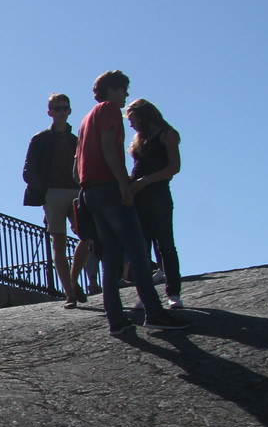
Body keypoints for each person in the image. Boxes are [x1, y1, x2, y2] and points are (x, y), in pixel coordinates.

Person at [75, 70, 187, 336]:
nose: (126, 94)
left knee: (111, 255)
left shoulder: (86, 119)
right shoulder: (109, 110)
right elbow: (108, 147)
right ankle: (154, 312)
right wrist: (123, 183)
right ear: (113, 89)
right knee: (137, 248)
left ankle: (116, 320)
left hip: (90, 191)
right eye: (124, 88)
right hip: (108, 188)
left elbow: (77, 165)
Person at [23, 93, 87, 306]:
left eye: (65, 108)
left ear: (70, 110)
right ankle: (69, 293)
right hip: (53, 193)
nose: (61, 112)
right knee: (58, 243)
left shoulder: (75, 140)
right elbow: (28, 170)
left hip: (76, 192)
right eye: (57, 108)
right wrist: (45, 190)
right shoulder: (40, 139)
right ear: (50, 112)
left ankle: (73, 281)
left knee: (87, 236)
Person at [127, 99, 183, 308]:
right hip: (137, 197)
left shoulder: (167, 134)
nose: (131, 124)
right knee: (142, 247)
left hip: (158, 194)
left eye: (133, 119)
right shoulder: (138, 138)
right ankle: (146, 295)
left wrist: (146, 181)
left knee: (165, 244)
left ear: (143, 116)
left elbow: (174, 167)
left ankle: (173, 292)